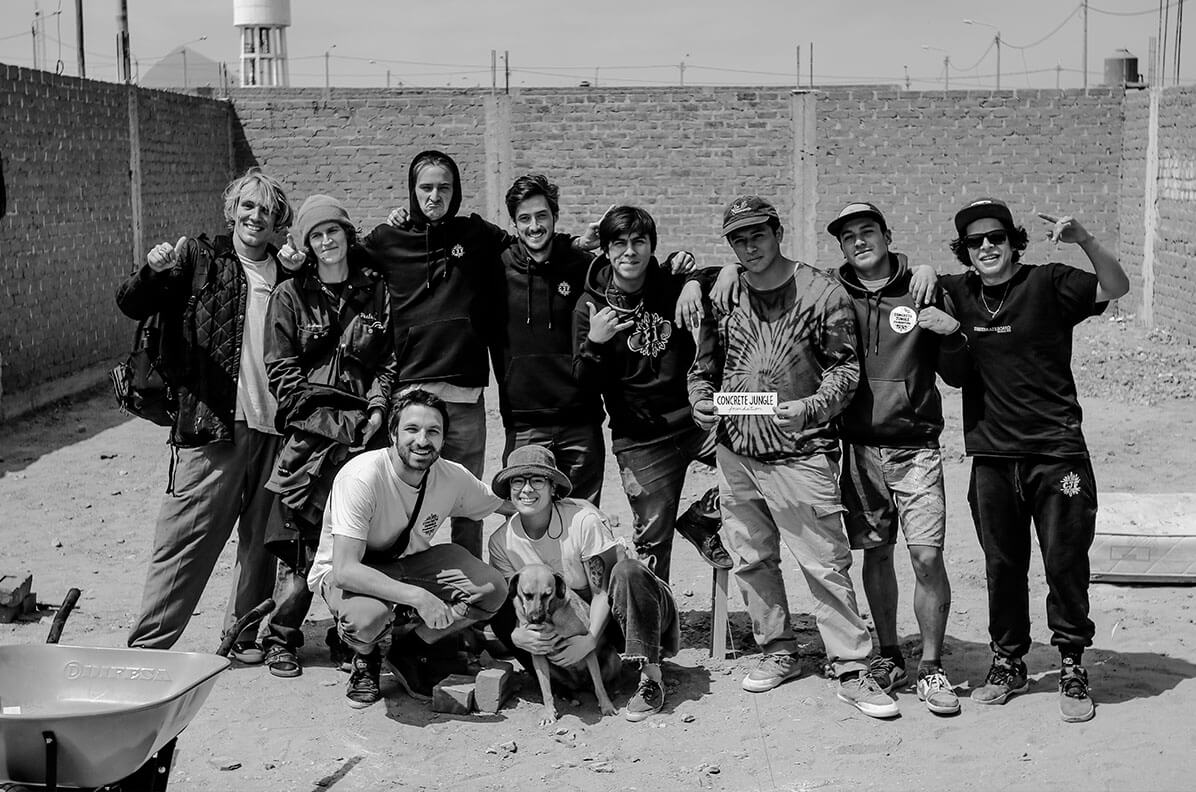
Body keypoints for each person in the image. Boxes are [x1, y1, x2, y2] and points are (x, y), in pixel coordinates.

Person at [688, 195, 898, 719]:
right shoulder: (726, 293)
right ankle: (777, 649)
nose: (749, 246)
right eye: (738, 239)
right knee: (752, 558)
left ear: (778, 231)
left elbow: (845, 371)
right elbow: (704, 362)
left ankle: (851, 667)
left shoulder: (822, 293)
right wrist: (700, 401)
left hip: (802, 453)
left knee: (824, 563)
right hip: (738, 452)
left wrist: (810, 408)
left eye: (757, 234)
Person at [939, 197, 1129, 724]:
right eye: (975, 242)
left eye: (995, 238)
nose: (986, 248)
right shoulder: (957, 294)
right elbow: (898, 282)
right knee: (1003, 566)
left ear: (1012, 241)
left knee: (1064, 562)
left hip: (1057, 454)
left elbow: (1116, 287)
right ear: (965, 251)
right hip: (993, 458)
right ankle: (1008, 661)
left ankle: (1071, 662)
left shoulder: (1048, 282)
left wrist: (1086, 241)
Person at [364, 153, 600, 559]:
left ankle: (468, 602)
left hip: (467, 398)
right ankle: (394, 596)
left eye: (444, 187)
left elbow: (532, 241)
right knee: (400, 504)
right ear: (412, 190)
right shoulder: (389, 238)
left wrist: (576, 244)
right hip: (412, 396)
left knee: (469, 507)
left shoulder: (476, 235)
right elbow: (343, 259)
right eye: (426, 188)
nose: (435, 196)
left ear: (456, 191)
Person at [116, 169, 295, 657]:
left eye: (267, 209)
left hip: (276, 428)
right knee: (186, 541)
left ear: (278, 219)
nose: (256, 216)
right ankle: (151, 646)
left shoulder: (287, 273)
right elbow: (131, 303)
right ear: (232, 211)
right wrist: (153, 269)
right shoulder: (199, 260)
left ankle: (242, 636)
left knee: (261, 542)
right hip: (214, 423)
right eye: (248, 206)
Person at [828, 201, 965, 716]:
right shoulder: (831, 292)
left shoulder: (924, 286)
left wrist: (949, 333)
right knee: (876, 553)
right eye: (848, 236)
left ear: (887, 235)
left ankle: (931, 667)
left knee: (926, 555)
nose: (859, 241)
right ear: (840, 247)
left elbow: (954, 372)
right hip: (859, 447)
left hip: (915, 445)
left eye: (868, 231)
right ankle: (889, 654)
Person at [258, 194, 396, 678]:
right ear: (306, 244)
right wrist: (333, 425)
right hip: (307, 445)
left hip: (365, 439)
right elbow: (282, 374)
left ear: (346, 234)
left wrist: (378, 410)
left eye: (332, 231)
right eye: (316, 236)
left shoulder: (375, 289)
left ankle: (347, 634)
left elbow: (387, 362)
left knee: (356, 543)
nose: (326, 242)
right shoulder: (290, 297)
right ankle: (282, 637)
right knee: (298, 548)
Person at [308, 388, 510, 708]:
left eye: (433, 431)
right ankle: (366, 658)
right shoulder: (362, 477)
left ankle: (411, 649)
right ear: (392, 433)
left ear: (443, 439)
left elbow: (501, 504)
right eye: (412, 430)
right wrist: (419, 597)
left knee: (492, 588)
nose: (422, 441)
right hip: (351, 573)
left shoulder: (451, 475)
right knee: (367, 619)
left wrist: (563, 507)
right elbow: (345, 570)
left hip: (409, 565)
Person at [573, 205, 732, 583]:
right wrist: (595, 342)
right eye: (620, 243)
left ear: (651, 247)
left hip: (693, 420)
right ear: (607, 251)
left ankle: (702, 517)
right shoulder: (590, 305)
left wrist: (705, 277)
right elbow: (581, 382)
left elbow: (723, 273)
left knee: (761, 466)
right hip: (640, 441)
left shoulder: (671, 284)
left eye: (639, 242)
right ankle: (654, 634)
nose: (630, 251)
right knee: (651, 547)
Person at [487, 444, 681, 722]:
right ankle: (569, 684)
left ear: (553, 487)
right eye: (518, 481)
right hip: (567, 620)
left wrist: (589, 640)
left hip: (626, 612)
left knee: (628, 571)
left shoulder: (582, 521)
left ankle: (651, 676)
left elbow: (603, 591)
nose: (526, 489)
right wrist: (517, 636)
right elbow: (513, 603)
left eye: (537, 480)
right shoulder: (501, 541)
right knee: (500, 603)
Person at [490, 175, 605, 503]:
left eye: (542, 216)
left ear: (554, 216)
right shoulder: (497, 269)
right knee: (527, 518)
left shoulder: (583, 266)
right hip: (525, 423)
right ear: (514, 223)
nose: (535, 226)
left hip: (580, 420)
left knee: (583, 520)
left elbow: (628, 277)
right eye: (524, 219)